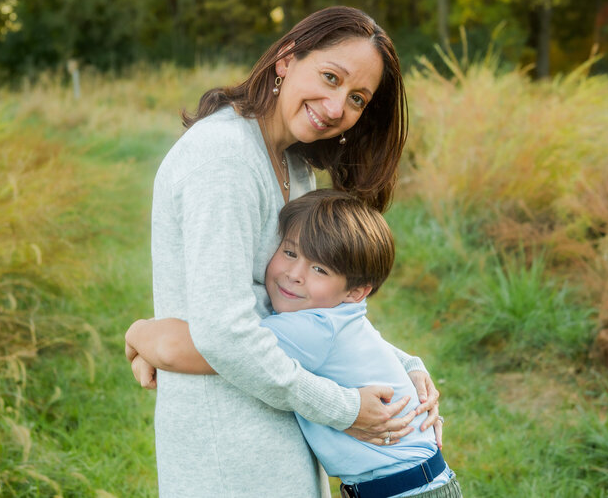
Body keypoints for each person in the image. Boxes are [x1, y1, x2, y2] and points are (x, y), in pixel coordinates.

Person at [125, 6, 442, 497]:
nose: (336, 107)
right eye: (330, 77)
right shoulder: (225, 158)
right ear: (287, 59)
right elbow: (226, 334)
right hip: (228, 447)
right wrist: (345, 409)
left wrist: (405, 367)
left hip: (278, 426)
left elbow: (311, 316)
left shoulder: (294, 165)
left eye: (356, 99)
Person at [127, 190, 462, 498]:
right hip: (416, 484)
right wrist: (412, 364)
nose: (294, 273)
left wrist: (138, 333)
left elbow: (187, 349)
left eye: (319, 269)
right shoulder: (339, 315)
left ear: (356, 291)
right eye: (289, 252)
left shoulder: (311, 328)